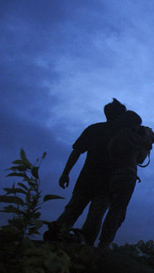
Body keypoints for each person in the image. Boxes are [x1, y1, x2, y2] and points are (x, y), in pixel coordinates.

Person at [49, 99, 126, 245]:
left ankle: (58, 236)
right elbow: (76, 151)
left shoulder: (94, 129)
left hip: (91, 181)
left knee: (76, 212)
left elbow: (76, 151)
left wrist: (65, 173)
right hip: (103, 184)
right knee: (92, 217)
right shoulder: (120, 134)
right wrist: (65, 173)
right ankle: (80, 243)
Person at [97, 110, 154, 249]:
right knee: (117, 211)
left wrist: (147, 143)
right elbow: (146, 144)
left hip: (119, 174)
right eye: (137, 125)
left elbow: (140, 158)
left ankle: (105, 242)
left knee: (119, 212)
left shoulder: (124, 137)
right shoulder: (125, 133)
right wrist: (148, 137)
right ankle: (104, 244)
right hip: (125, 174)